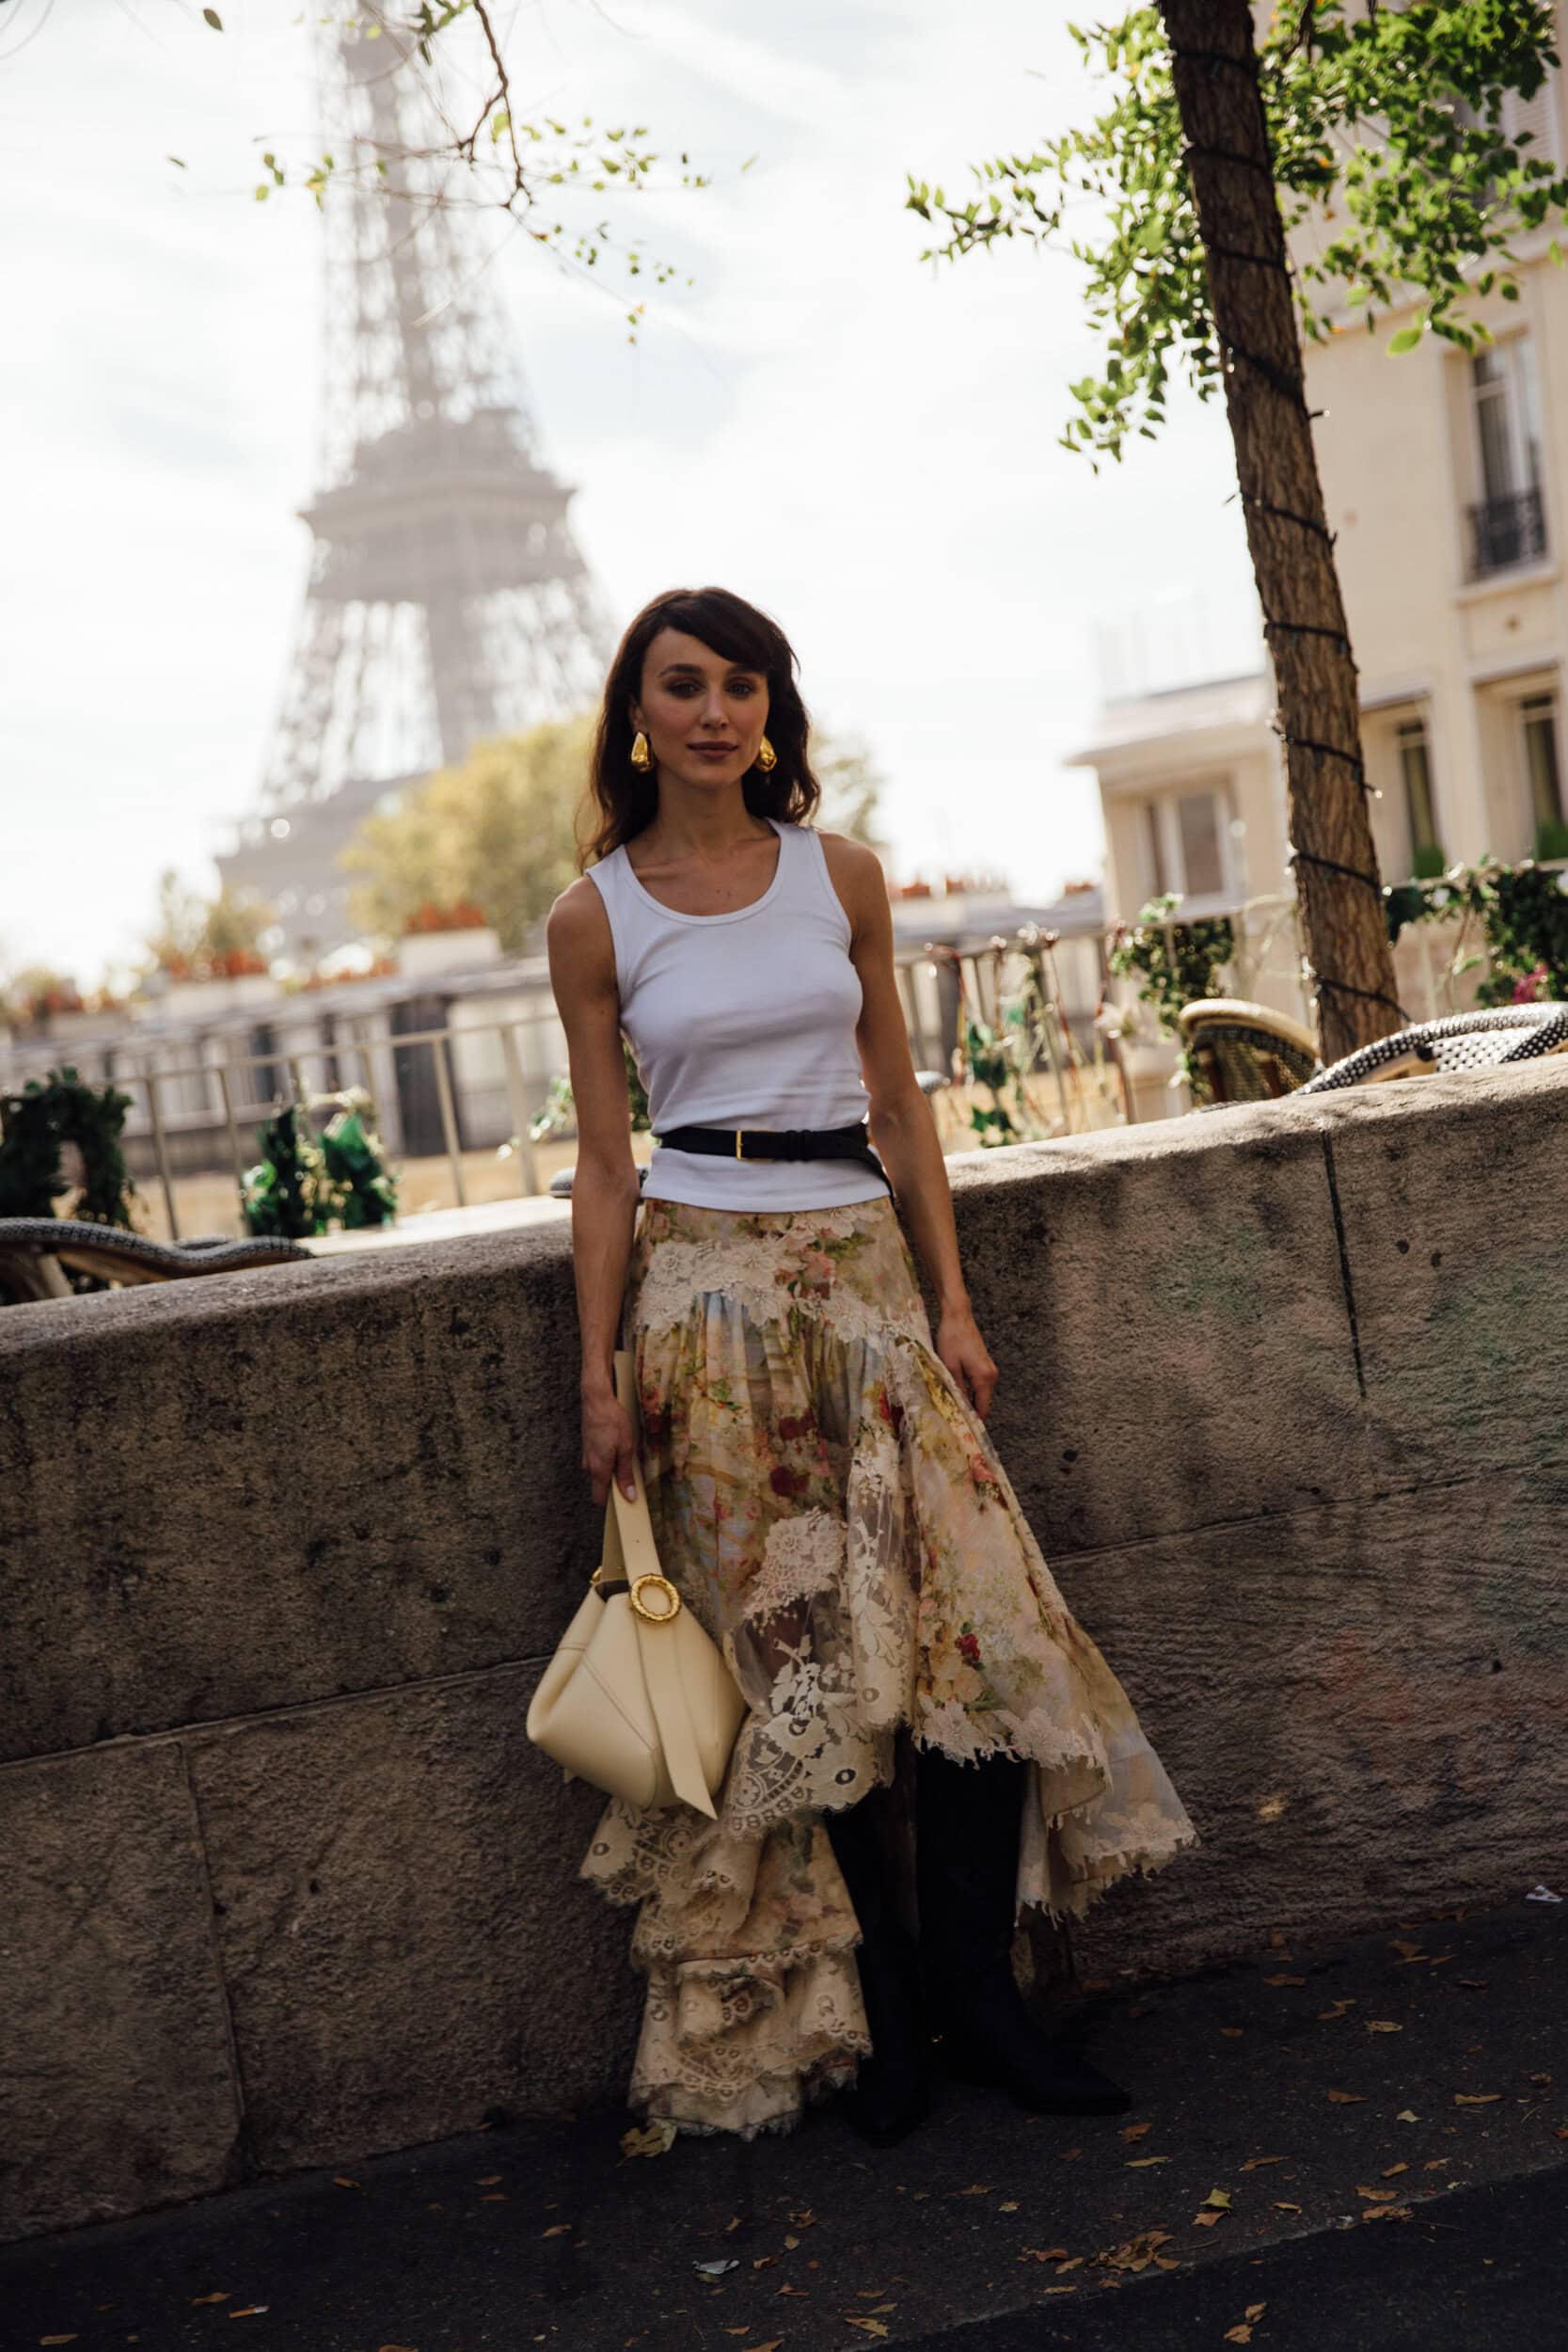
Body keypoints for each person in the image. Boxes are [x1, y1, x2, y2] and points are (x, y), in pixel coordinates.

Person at [546, 585, 1196, 2147]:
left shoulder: (838, 876)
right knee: (802, 1673)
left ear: (774, 708)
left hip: (865, 1280)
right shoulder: (596, 915)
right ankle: (892, 2023)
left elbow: (900, 1103)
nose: (716, 711)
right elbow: (606, 1162)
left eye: (743, 683)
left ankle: (986, 2002)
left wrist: (954, 1303)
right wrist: (596, 1373)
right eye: (683, 685)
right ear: (638, 716)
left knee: (975, 1640)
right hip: (705, 1308)